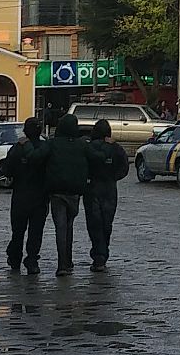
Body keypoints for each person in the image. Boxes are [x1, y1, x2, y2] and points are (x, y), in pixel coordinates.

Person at [42, 113, 101, 276]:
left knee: (60, 228)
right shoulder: (82, 145)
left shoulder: (52, 144)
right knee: (68, 225)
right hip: (75, 191)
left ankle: (63, 263)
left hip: (56, 190)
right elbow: (98, 158)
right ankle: (67, 261)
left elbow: (39, 157)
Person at [1, 117, 49, 274]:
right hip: (40, 196)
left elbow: (6, 170)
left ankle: (15, 258)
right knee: (36, 231)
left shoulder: (17, 148)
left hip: (20, 195)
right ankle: (32, 260)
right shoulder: (45, 148)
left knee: (18, 230)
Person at [84, 121, 129, 270]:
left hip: (92, 187)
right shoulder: (115, 148)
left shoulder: (88, 147)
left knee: (94, 223)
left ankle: (98, 255)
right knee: (106, 223)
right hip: (109, 188)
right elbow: (124, 166)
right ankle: (103, 253)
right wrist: (114, 177)